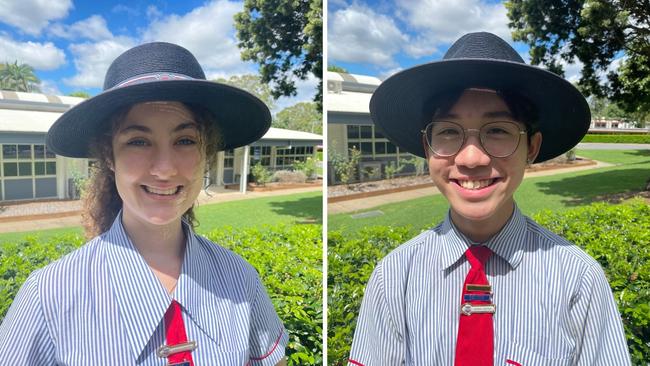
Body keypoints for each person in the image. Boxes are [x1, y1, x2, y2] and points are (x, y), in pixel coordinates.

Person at [348, 32, 631, 365]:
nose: (471, 159)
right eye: (449, 132)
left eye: (497, 130)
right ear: (428, 149)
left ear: (533, 148)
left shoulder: (578, 280)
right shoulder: (395, 277)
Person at [0, 42, 287, 365]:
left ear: (206, 153)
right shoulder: (48, 296)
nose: (164, 168)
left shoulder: (240, 278)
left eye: (185, 141)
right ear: (109, 156)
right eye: (138, 141)